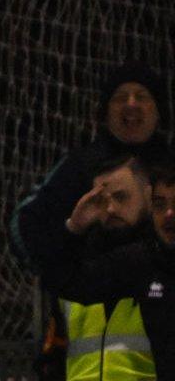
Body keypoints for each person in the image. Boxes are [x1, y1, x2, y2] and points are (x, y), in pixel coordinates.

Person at [10, 61, 169, 380]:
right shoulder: (77, 167)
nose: (131, 104)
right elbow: (26, 231)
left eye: (142, 96)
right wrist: (72, 230)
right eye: (120, 96)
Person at [40, 156, 175, 380]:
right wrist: (74, 228)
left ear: (145, 198)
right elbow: (63, 282)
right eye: (100, 201)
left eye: (121, 197)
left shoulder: (150, 261)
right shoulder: (121, 264)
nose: (110, 208)